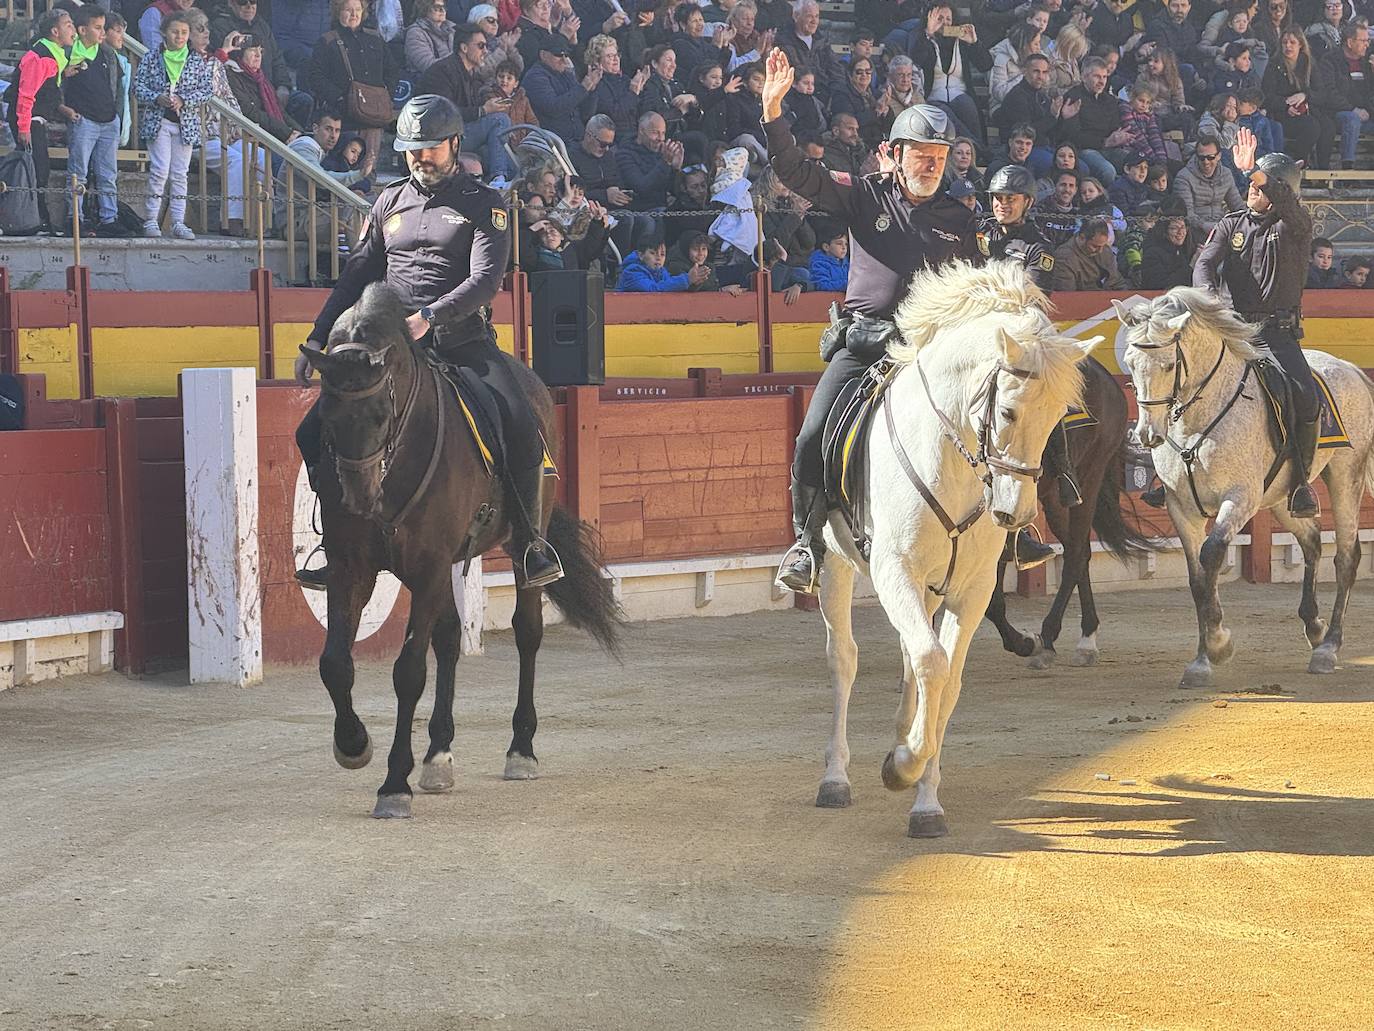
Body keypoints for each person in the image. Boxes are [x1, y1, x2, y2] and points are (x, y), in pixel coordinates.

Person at [293, 94, 564, 590]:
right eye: (413, 149)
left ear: (455, 145)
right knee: (311, 432)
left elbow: (485, 279)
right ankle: (335, 546)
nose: (421, 157)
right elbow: (357, 274)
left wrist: (430, 317)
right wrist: (317, 332)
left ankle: (530, 542)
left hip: (462, 340)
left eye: (431, 148)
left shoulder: (485, 204)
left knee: (522, 423)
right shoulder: (389, 200)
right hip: (389, 348)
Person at [760, 48, 995, 596]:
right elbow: (795, 171)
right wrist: (773, 112)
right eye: (921, 153)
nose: (933, 163)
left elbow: (979, 284)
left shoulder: (962, 217)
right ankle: (807, 544)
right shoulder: (865, 196)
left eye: (941, 153)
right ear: (894, 153)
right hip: (867, 345)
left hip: (937, 351)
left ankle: (1018, 524)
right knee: (813, 433)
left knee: (1011, 410)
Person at [1194, 128, 1318, 516]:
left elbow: (1284, 201)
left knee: (1305, 398)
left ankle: (1300, 483)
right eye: (1252, 184)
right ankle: (1172, 474)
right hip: (1233, 330)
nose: (1254, 190)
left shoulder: (1296, 226)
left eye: (1262, 186)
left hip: (1278, 335)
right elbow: (1203, 264)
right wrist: (1210, 303)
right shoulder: (1231, 224)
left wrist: (1254, 170)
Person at [978, 163, 1082, 511]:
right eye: (997, 198)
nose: (1002, 204)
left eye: (1010, 198)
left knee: (1045, 396)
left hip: (1021, 335)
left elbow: (1031, 295)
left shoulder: (1039, 247)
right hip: (978, 328)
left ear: (1027, 202)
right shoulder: (980, 233)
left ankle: (1064, 470)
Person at [134, 10, 214, 239]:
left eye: (184, 32)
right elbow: (137, 87)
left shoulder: (196, 60)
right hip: (159, 123)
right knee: (159, 171)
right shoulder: (151, 57)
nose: (179, 36)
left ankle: (178, 222)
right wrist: (156, 97)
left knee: (180, 174)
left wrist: (184, 100)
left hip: (185, 124)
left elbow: (207, 90)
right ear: (164, 33)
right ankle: (151, 219)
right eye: (174, 32)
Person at [3, 8, 78, 234]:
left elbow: (48, 78)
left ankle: (36, 219)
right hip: (28, 120)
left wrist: (65, 73)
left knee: (39, 169)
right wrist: (24, 127)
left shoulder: (54, 54)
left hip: (37, 119)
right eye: (68, 25)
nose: (72, 29)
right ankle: (34, 220)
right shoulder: (40, 56)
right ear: (55, 31)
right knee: (36, 170)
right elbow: (26, 94)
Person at [417, 24, 520, 178]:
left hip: (457, 135)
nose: (485, 51)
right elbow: (444, 113)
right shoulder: (442, 71)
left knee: (510, 164)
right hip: (438, 139)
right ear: (464, 48)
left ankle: (501, 184)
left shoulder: (469, 74)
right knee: (500, 120)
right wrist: (483, 110)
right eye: (480, 46)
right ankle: (498, 178)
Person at [64, 4, 130, 238]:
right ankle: (75, 217)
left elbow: (118, 89)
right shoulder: (68, 53)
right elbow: (58, 86)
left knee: (108, 174)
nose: (103, 33)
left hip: (108, 120)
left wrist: (117, 117)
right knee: (78, 171)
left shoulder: (107, 53)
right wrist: (66, 111)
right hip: (84, 121)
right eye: (98, 27)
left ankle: (109, 218)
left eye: (104, 28)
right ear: (82, 29)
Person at [306, 0, 400, 164]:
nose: (354, 14)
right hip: (345, 118)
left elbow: (392, 70)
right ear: (338, 12)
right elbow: (316, 76)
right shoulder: (327, 41)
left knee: (369, 167)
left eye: (358, 9)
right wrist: (340, 99)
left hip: (374, 117)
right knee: (344, 166)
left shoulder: (376, 39)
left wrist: (386, 96)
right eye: (348, 10)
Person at [1312, 19, 1374, 170]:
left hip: (1366, 115)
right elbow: (1329, 93)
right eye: (1363, 40)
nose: (1367, 44)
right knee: (1351, 119)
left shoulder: (1367, 64)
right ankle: (1348, 169)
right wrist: (1353, 109)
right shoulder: (1330, 60)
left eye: (1368, 40)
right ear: (1350, 42)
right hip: (1336, 114)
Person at [1174, 132, 1242, 234]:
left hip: (1222, 226)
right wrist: (1206, 226)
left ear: (1219, 156)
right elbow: (1187, 214)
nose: (1206, 162)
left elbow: (1237, 205)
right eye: (1201, 158)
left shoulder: (1226, 174)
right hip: (1195, 230)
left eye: (1210, 157)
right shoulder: (1183, 178)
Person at [1051, 218, 1128, 290]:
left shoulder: (1105, 250)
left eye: (1103, 245)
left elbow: (1116, 281)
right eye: (1095, 246)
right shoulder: (1065, 258)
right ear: (1082, 238)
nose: (1100, 251)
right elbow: (1066, 294)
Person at [404, 0, 455, 75]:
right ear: (425, 9)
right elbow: (428, 66)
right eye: (437, 7)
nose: (443, 11)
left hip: (454, 79)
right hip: (426, 82)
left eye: (444, 7)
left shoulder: (453, 29)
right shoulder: (415, 33)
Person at [808, 223, 850, 290]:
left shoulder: (846, 264)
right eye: (839, 243)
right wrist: (848, 285)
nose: (844, 247)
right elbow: (822, 285)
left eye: (846, 244)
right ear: (826, 247)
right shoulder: (819, 264)